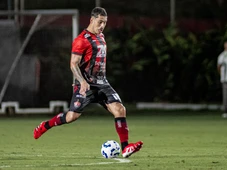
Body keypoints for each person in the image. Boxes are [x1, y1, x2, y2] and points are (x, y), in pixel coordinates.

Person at [33, 7, 143, 158]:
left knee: (120, 109)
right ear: (92, 20)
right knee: (72, 117)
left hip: (102, 84)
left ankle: (125, 148)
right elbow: (73, 64)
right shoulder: (81, 40)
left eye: (104, 22)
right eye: (100, 22)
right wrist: (82, 82)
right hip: (86, 86)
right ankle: (45, 125)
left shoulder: (101, 37)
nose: (102, 25)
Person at [217, 40, 227, 117]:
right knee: (225, 96)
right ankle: (225, 111)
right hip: (224, 79)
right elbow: (219, 67)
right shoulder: (222, 56)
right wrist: (221, 75)